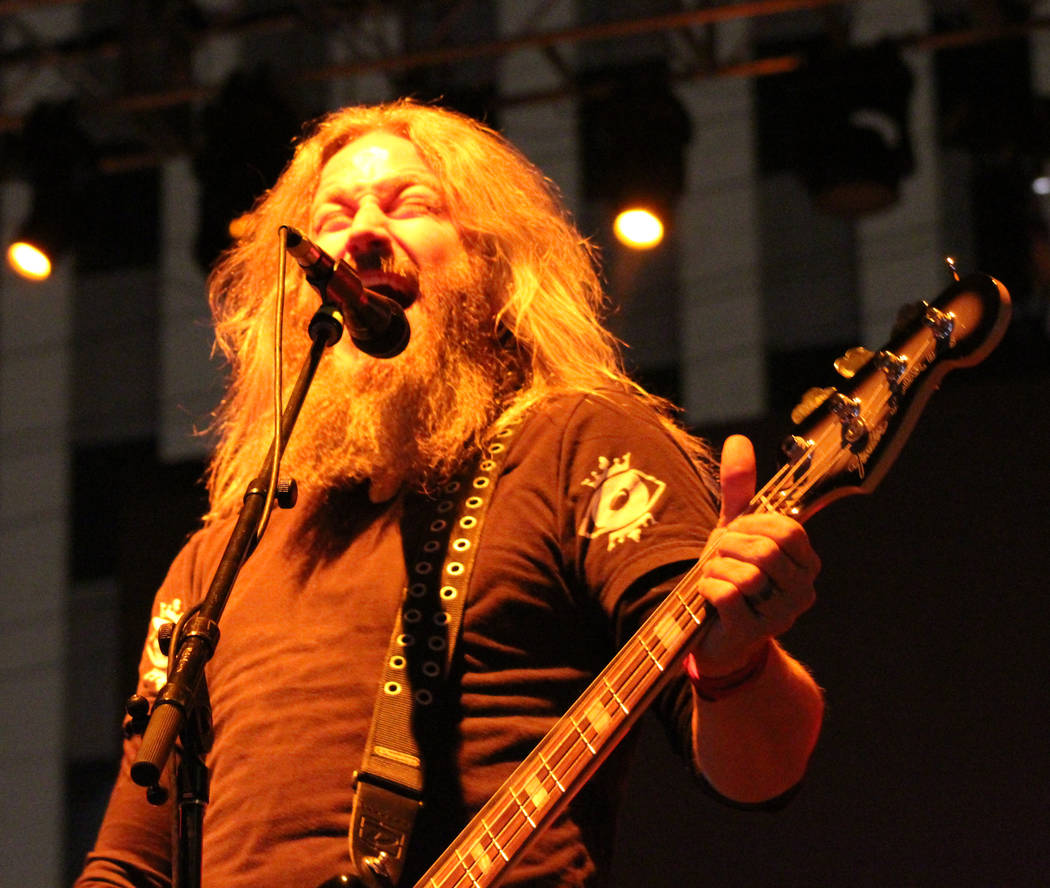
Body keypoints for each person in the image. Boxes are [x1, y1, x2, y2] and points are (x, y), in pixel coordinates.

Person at [76, 100, 823, 888]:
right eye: (333, 216)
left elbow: (760, 772)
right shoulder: (215, 561)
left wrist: (740, 659)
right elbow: (128, 862)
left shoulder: (572, 445)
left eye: (412, 204)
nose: (362, 231)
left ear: (492, 263)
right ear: (297, 295)